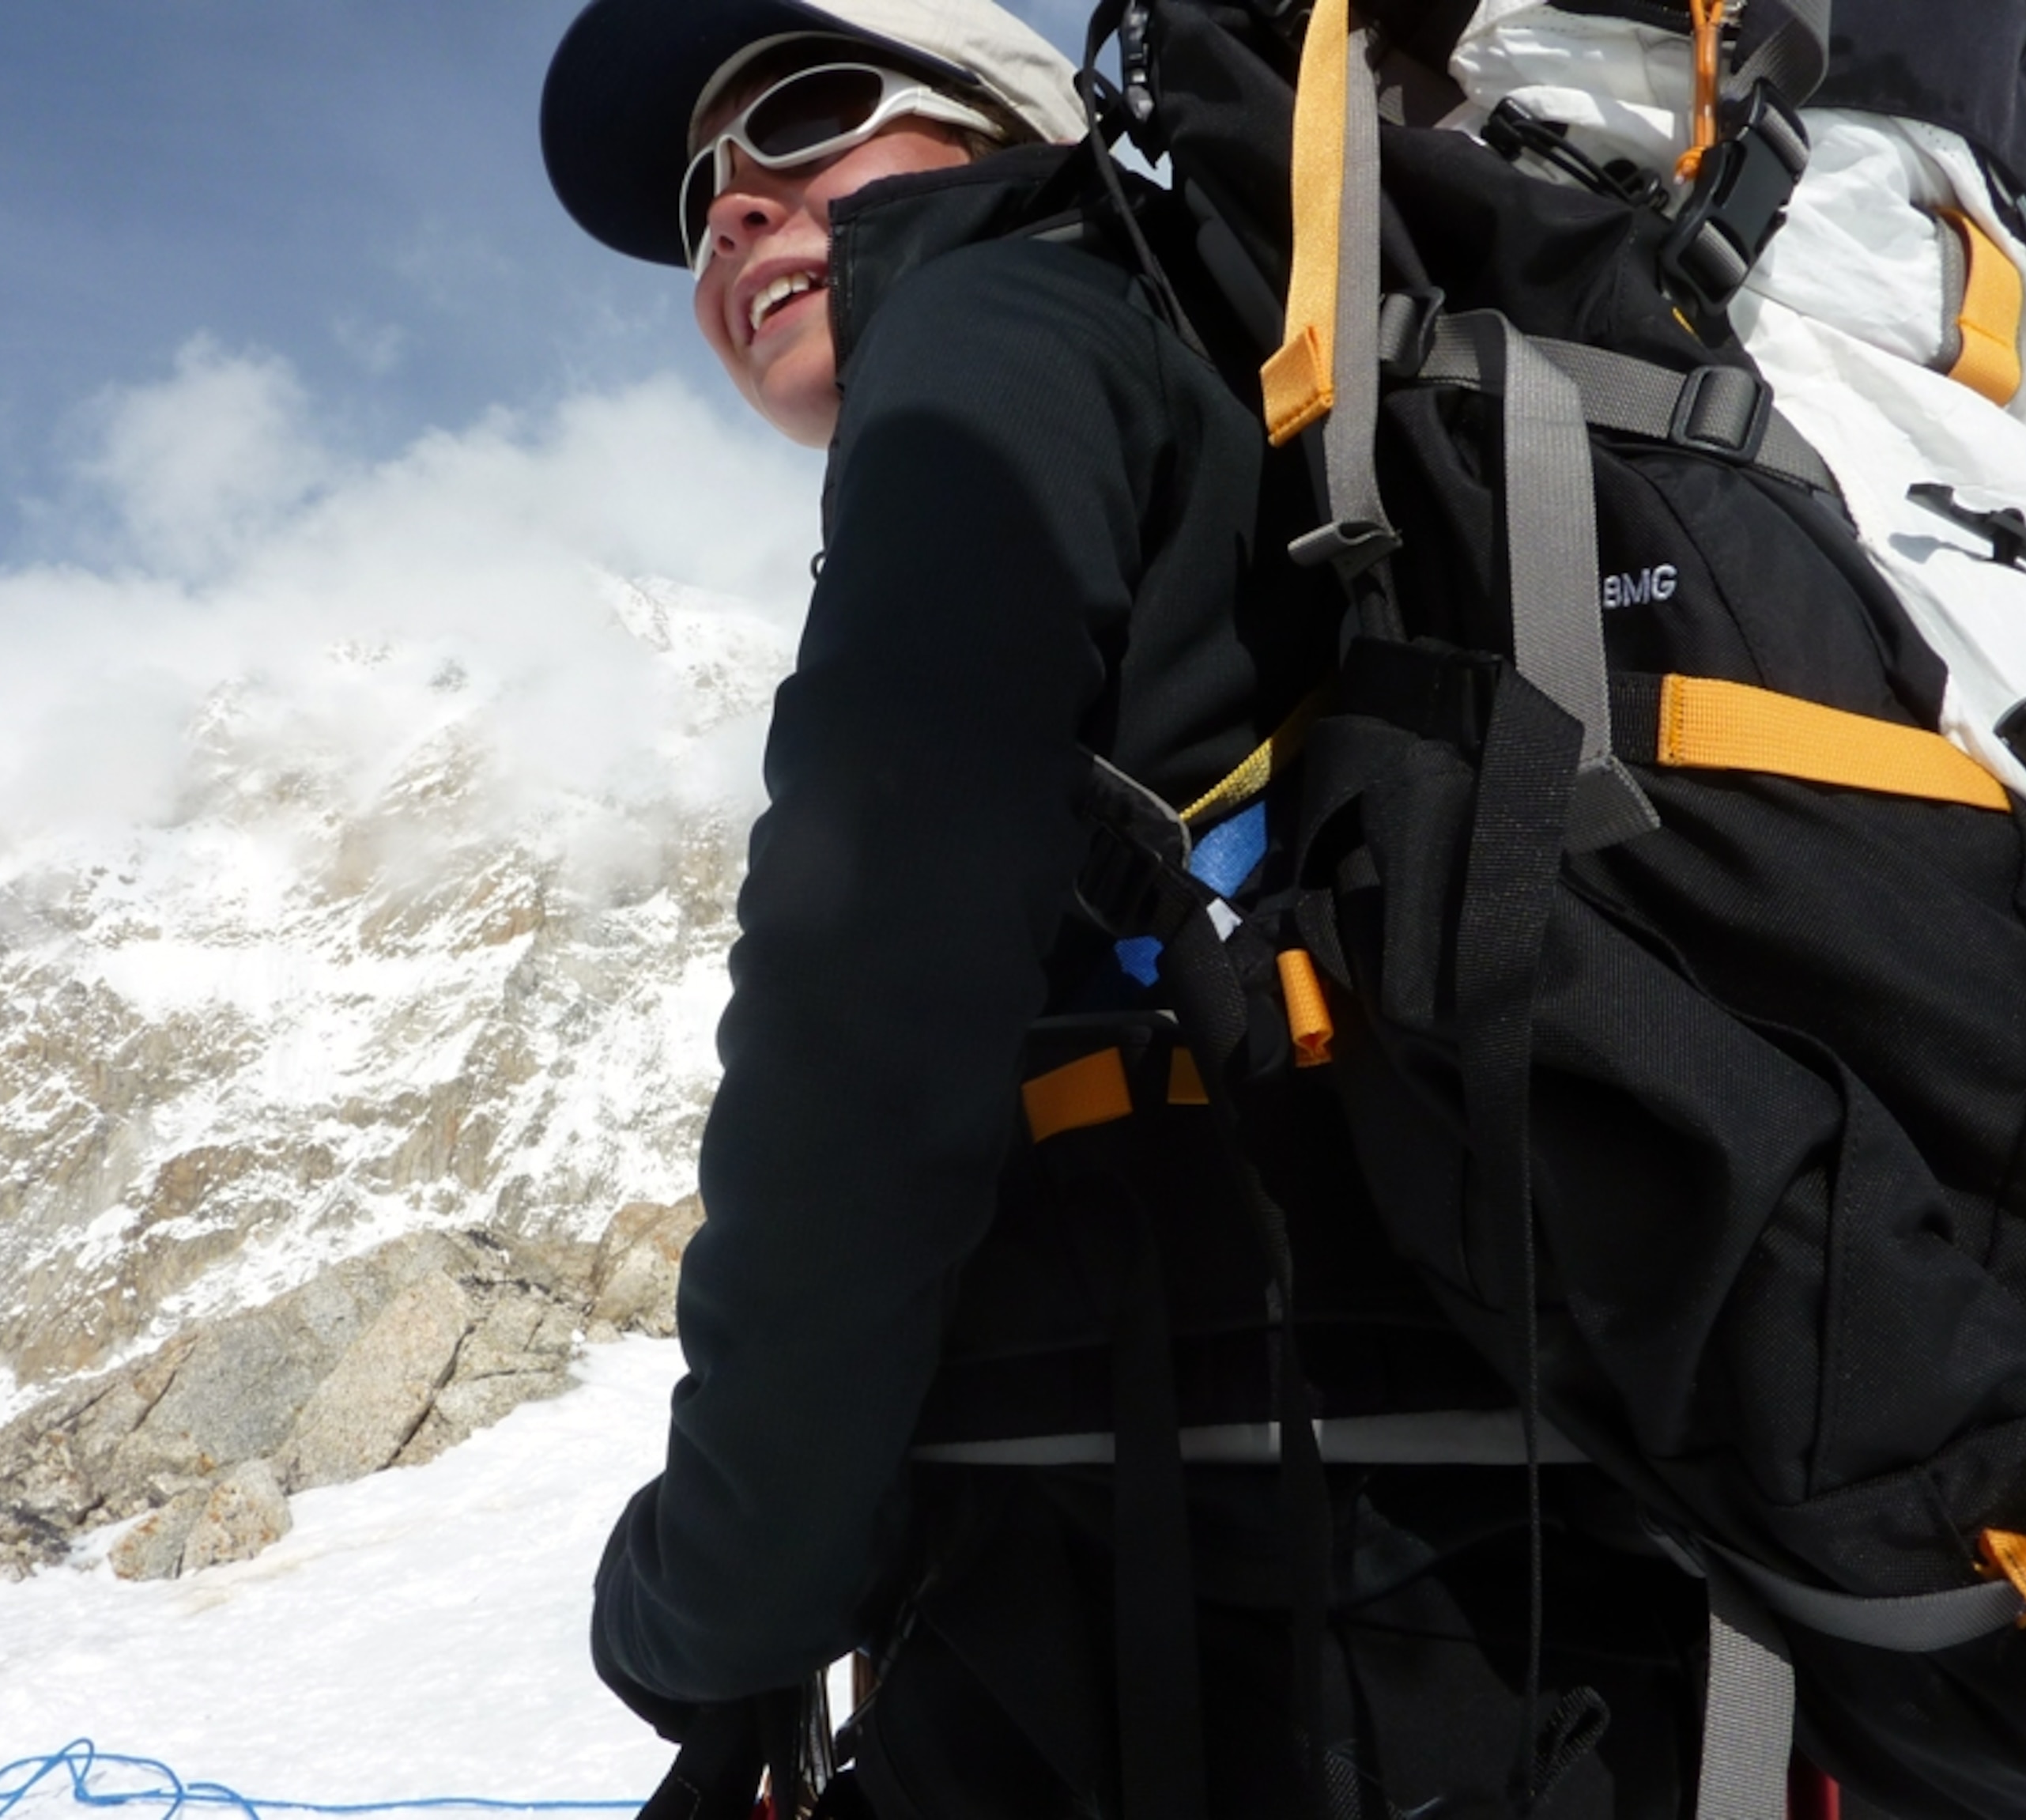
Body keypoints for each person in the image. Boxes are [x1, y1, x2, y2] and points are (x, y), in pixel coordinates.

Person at [540, 2, 1707, 1813]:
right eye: (704, 197)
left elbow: (871, 983)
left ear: (1001, 134)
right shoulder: (1200, 358)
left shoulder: (992, 308)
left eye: (809, 116)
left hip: (1210, 1612)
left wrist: (721, 1581)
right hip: (1450, 1568)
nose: (741, 212)